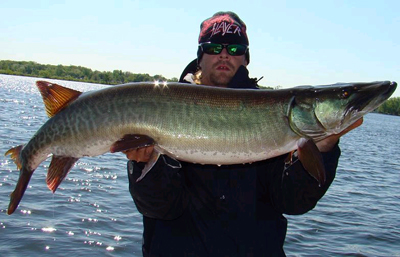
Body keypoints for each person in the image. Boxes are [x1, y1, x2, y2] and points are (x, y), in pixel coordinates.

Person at [124, 11, 363, 256]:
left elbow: (293, 201)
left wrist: (322, 148)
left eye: (235, 49)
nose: (225, 54)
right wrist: (144, 165)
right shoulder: (162, 107)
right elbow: (159, 208)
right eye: (214, 47)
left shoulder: (276, 118)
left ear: (246, 59)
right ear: (200, 57)